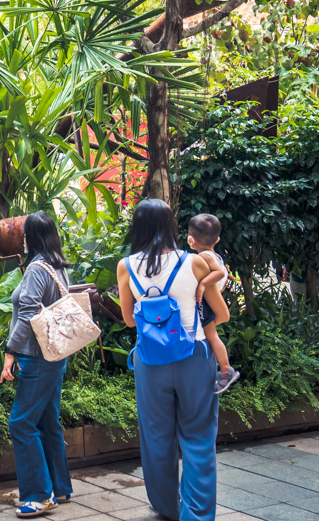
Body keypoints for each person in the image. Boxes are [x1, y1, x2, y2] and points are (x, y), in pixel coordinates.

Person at [117, 199, 229, 521]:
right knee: (198, 436)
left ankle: (168, 507)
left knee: (156, 435)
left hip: (150, 361)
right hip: (193, 356)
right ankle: (196, 514)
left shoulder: (126, 266)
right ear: (171, 227)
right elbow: (220, 314)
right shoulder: (193, 262)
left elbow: (128, 319)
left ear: (137, 227)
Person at [0, 211, 74, 518]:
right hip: (56, 354)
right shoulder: (57, 265)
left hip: (38, 356)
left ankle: (39, 495)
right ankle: (59, 487)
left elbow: (29, 313)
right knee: (46, 421)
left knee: (20, 422)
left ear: (29, 238)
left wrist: (10, 352)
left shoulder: (36, 269)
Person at [186, 213, 240, 393]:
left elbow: (218, 273)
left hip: (206, 303)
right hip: (211, 300)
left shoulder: (205, 257)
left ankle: (226, 370)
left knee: (211, 335)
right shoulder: (213, 255)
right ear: (217, 239)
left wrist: (202, 284)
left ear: (190, 239)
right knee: (210, 334)